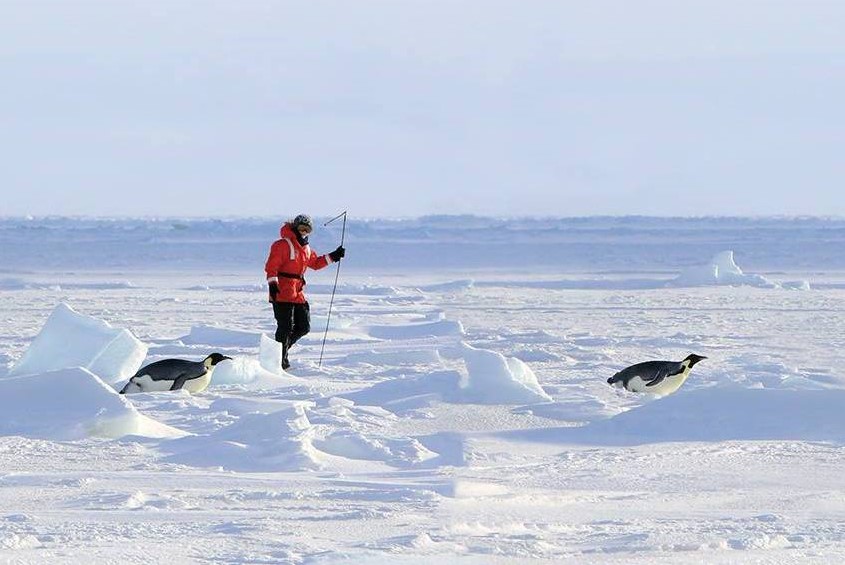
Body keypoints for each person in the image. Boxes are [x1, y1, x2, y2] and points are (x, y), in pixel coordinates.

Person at [264, 214, 345, 369]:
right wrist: (273, 285)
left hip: (297, 293)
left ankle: (279, 352)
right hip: (281, 292)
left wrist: (334, 256)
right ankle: (279, 360)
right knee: (285, 328)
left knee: (303, 327)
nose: (304, 232)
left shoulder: (306, 248)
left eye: (308, 230)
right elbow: (271, 267)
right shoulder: (281, 245)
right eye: (302, 228)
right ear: (295, 227)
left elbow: (314, 263)